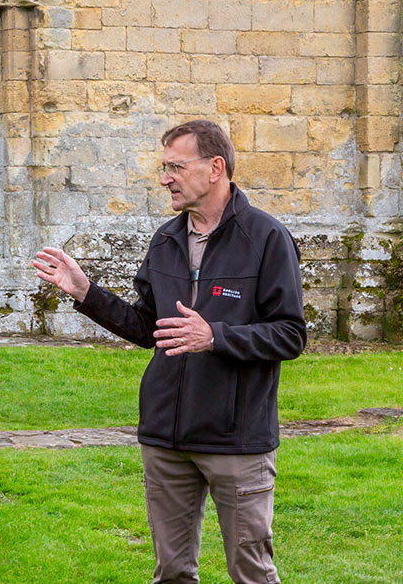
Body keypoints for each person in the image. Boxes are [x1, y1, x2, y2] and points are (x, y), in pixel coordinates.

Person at [33, 120, 306, 584]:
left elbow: (290, 334)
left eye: (175, 167)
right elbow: (147, 328)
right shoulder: (165, 239)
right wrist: (84, 292)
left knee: (252, 574)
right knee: (172, 574)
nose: (165, 179)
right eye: (164, 168)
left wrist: (216, 337)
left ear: (215, 168)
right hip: (166, 440)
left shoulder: (265, 238)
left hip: (235, 440)